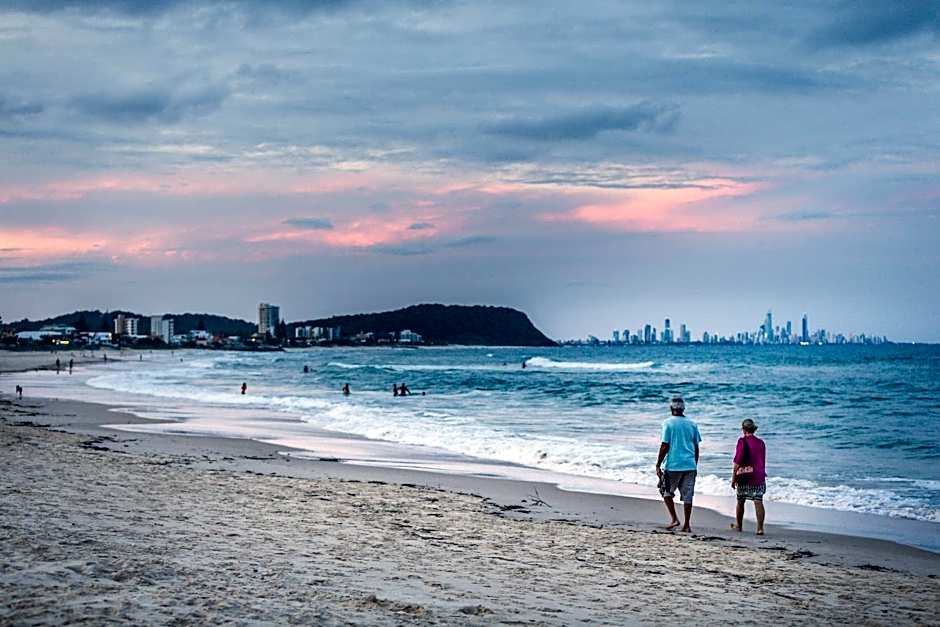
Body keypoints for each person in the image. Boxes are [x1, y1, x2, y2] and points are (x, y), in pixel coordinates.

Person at [655, 396, 702, 532]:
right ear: (683, 409)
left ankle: (675, 519)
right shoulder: (692, 424)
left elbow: (665, 445)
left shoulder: (668, 423)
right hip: (690, 464)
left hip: (673, 464)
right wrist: (695, 464)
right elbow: (696, 447)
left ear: (671, 408)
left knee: (666, 491)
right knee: (688, 495)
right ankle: (687, 524)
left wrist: (658, 464)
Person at [731, 418, 767, 535]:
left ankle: (739, 526)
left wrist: (733, 478)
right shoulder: (761, 442)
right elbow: (762, 460)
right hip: (758, 476)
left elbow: (737, 461)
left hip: (745, 476)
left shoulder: (742, 441)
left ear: (743, 430)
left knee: (740, 501)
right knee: (758, 501)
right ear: (754, 429)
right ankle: (760, 528)